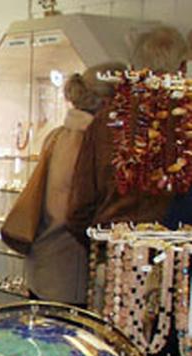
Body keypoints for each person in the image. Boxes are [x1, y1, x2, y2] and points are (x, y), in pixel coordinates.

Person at [66, 26, 190, 242]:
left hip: (115, 246)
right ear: (182, 67)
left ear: (134, 69)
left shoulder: (106, 120)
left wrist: (100, 245)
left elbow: (80, 206)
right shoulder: (185, 118)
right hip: (178, 254)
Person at [25, 63, 125, 305]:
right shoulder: (95, 143)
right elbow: (78, 213)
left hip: (45, 264)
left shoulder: (58, 136)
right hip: (72, 273)